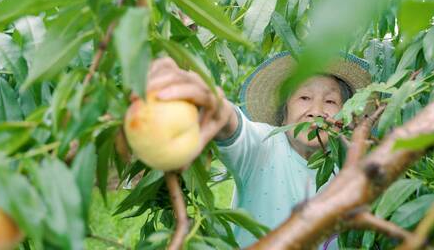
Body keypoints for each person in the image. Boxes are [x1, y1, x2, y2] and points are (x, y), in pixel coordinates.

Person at [147, 51, 371, 248]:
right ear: (283, 115)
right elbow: (233, 126)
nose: (316, 110)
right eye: (304, 97)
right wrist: (216, 106)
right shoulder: (264, 146)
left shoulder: (352, 166)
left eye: (331, 101)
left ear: (346, 117)